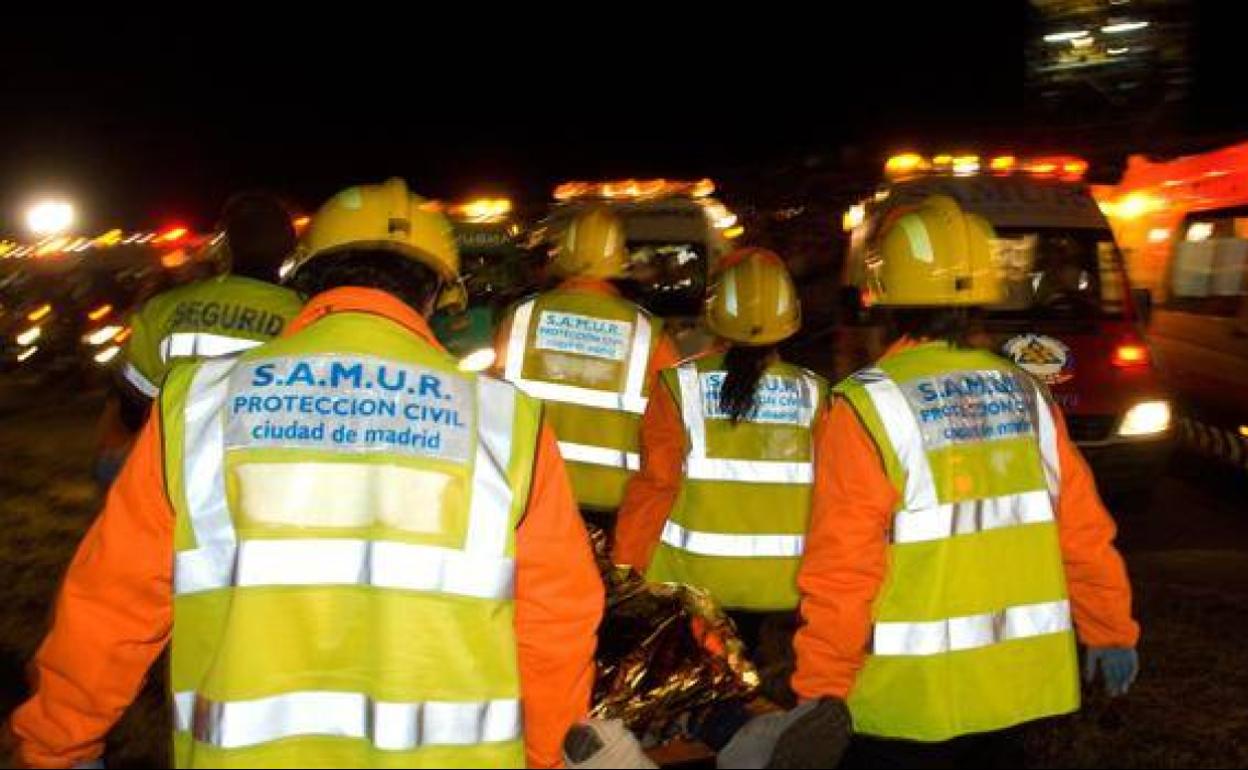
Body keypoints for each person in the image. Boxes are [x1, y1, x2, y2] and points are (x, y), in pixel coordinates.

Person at [9, 178, 604, 769]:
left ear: (309, 277)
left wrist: (57, 742)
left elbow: (113, 600)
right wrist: (548, 755)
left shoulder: (198, 403)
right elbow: (555, 618)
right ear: (437, 295)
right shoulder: (505, 420)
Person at [782, 195, 1140, 768]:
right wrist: (1109, 629)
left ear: (885, 296)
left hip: (906, 701)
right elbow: (1081, 532)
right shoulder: (1026, 393)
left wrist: (821, 690)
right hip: (1016, 691)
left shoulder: (866, 407)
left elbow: (843, 570)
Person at [613, 247, 825, 705]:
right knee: (773, 708)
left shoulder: (679, 386)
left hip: (698, 595)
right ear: (790, 316)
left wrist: (626, 568)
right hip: (788, 595)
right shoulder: (817, 393)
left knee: (707, 706)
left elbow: (656, 486)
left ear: (714, 314)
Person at [94, 193, 304, 484]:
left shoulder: (162, 309)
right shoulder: (309, 314)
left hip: (175, 467)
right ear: (289, 251)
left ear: (225, 247)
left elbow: (132, 407)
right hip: (261, 473)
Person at [494, 207, 680, 526]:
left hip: (527, 497)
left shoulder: (521, 318)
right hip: (612, 509)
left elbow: (493, 402)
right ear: (620, 261)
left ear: (561, 256)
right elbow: (671, 432)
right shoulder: (647, 333)